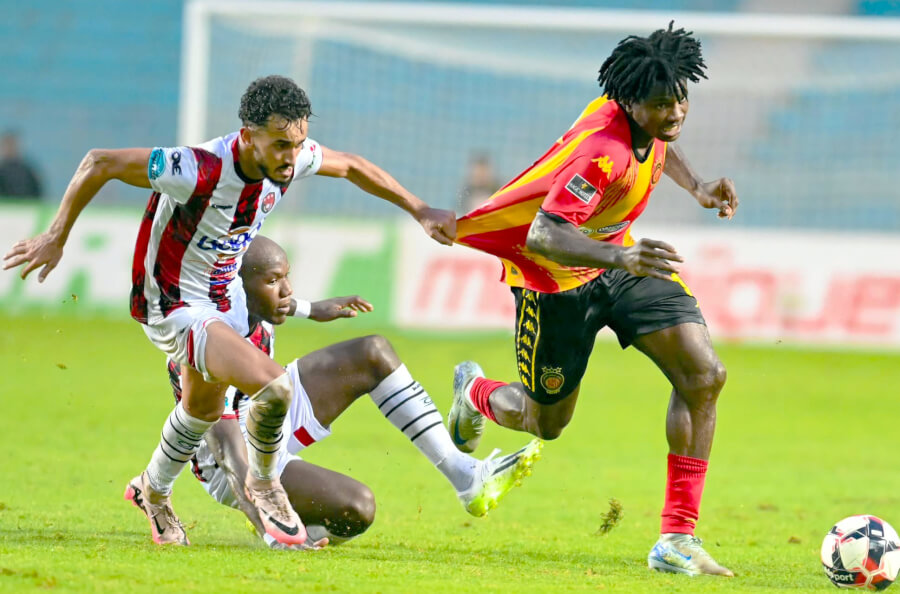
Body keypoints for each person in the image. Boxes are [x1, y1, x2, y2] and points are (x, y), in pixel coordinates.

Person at [3, 75, 457, 547]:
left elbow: (352, 166)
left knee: (200, 408)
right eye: (281, 144)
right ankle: (264, 485)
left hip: (222, 303)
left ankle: (152, 491)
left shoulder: (289, 160)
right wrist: (56, 235)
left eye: (297, 143)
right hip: (173, 306)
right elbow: (99, 162)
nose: (291, 156)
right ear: (247, 136)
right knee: (275, 387)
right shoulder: (196, 168)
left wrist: (419, 209)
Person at [447, 23, 738, 577]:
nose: (675, 112)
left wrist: (696, 185)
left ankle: (677, 538)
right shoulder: (599, 153)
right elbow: (544, 234)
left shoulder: (644, 117)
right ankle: (475, 391)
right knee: (545, 422)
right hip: (557, 284)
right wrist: (621, 258)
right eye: (660, 104)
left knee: (703, 375)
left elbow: (659, 144)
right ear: (630, 102)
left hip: (620, 264)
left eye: (681, 99)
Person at [174, 236, 542, 548]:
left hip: (269, 412)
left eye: (288, 278)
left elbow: (282, 304)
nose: (286, 290)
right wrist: (273, 532)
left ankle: (466, 476)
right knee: (358, 509)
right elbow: (229, 455)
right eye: (274, 281)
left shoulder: (250, 308)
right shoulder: (206, 343)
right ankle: (297, 527)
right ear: (238, 288)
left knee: (373, 353)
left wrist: (313, 309)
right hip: (234, 458)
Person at [0, 131, 43, 199]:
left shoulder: (27, 171)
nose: (10, 148)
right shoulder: (28, 170)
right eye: (8, 145)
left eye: (12, 145)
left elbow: (37, 192)